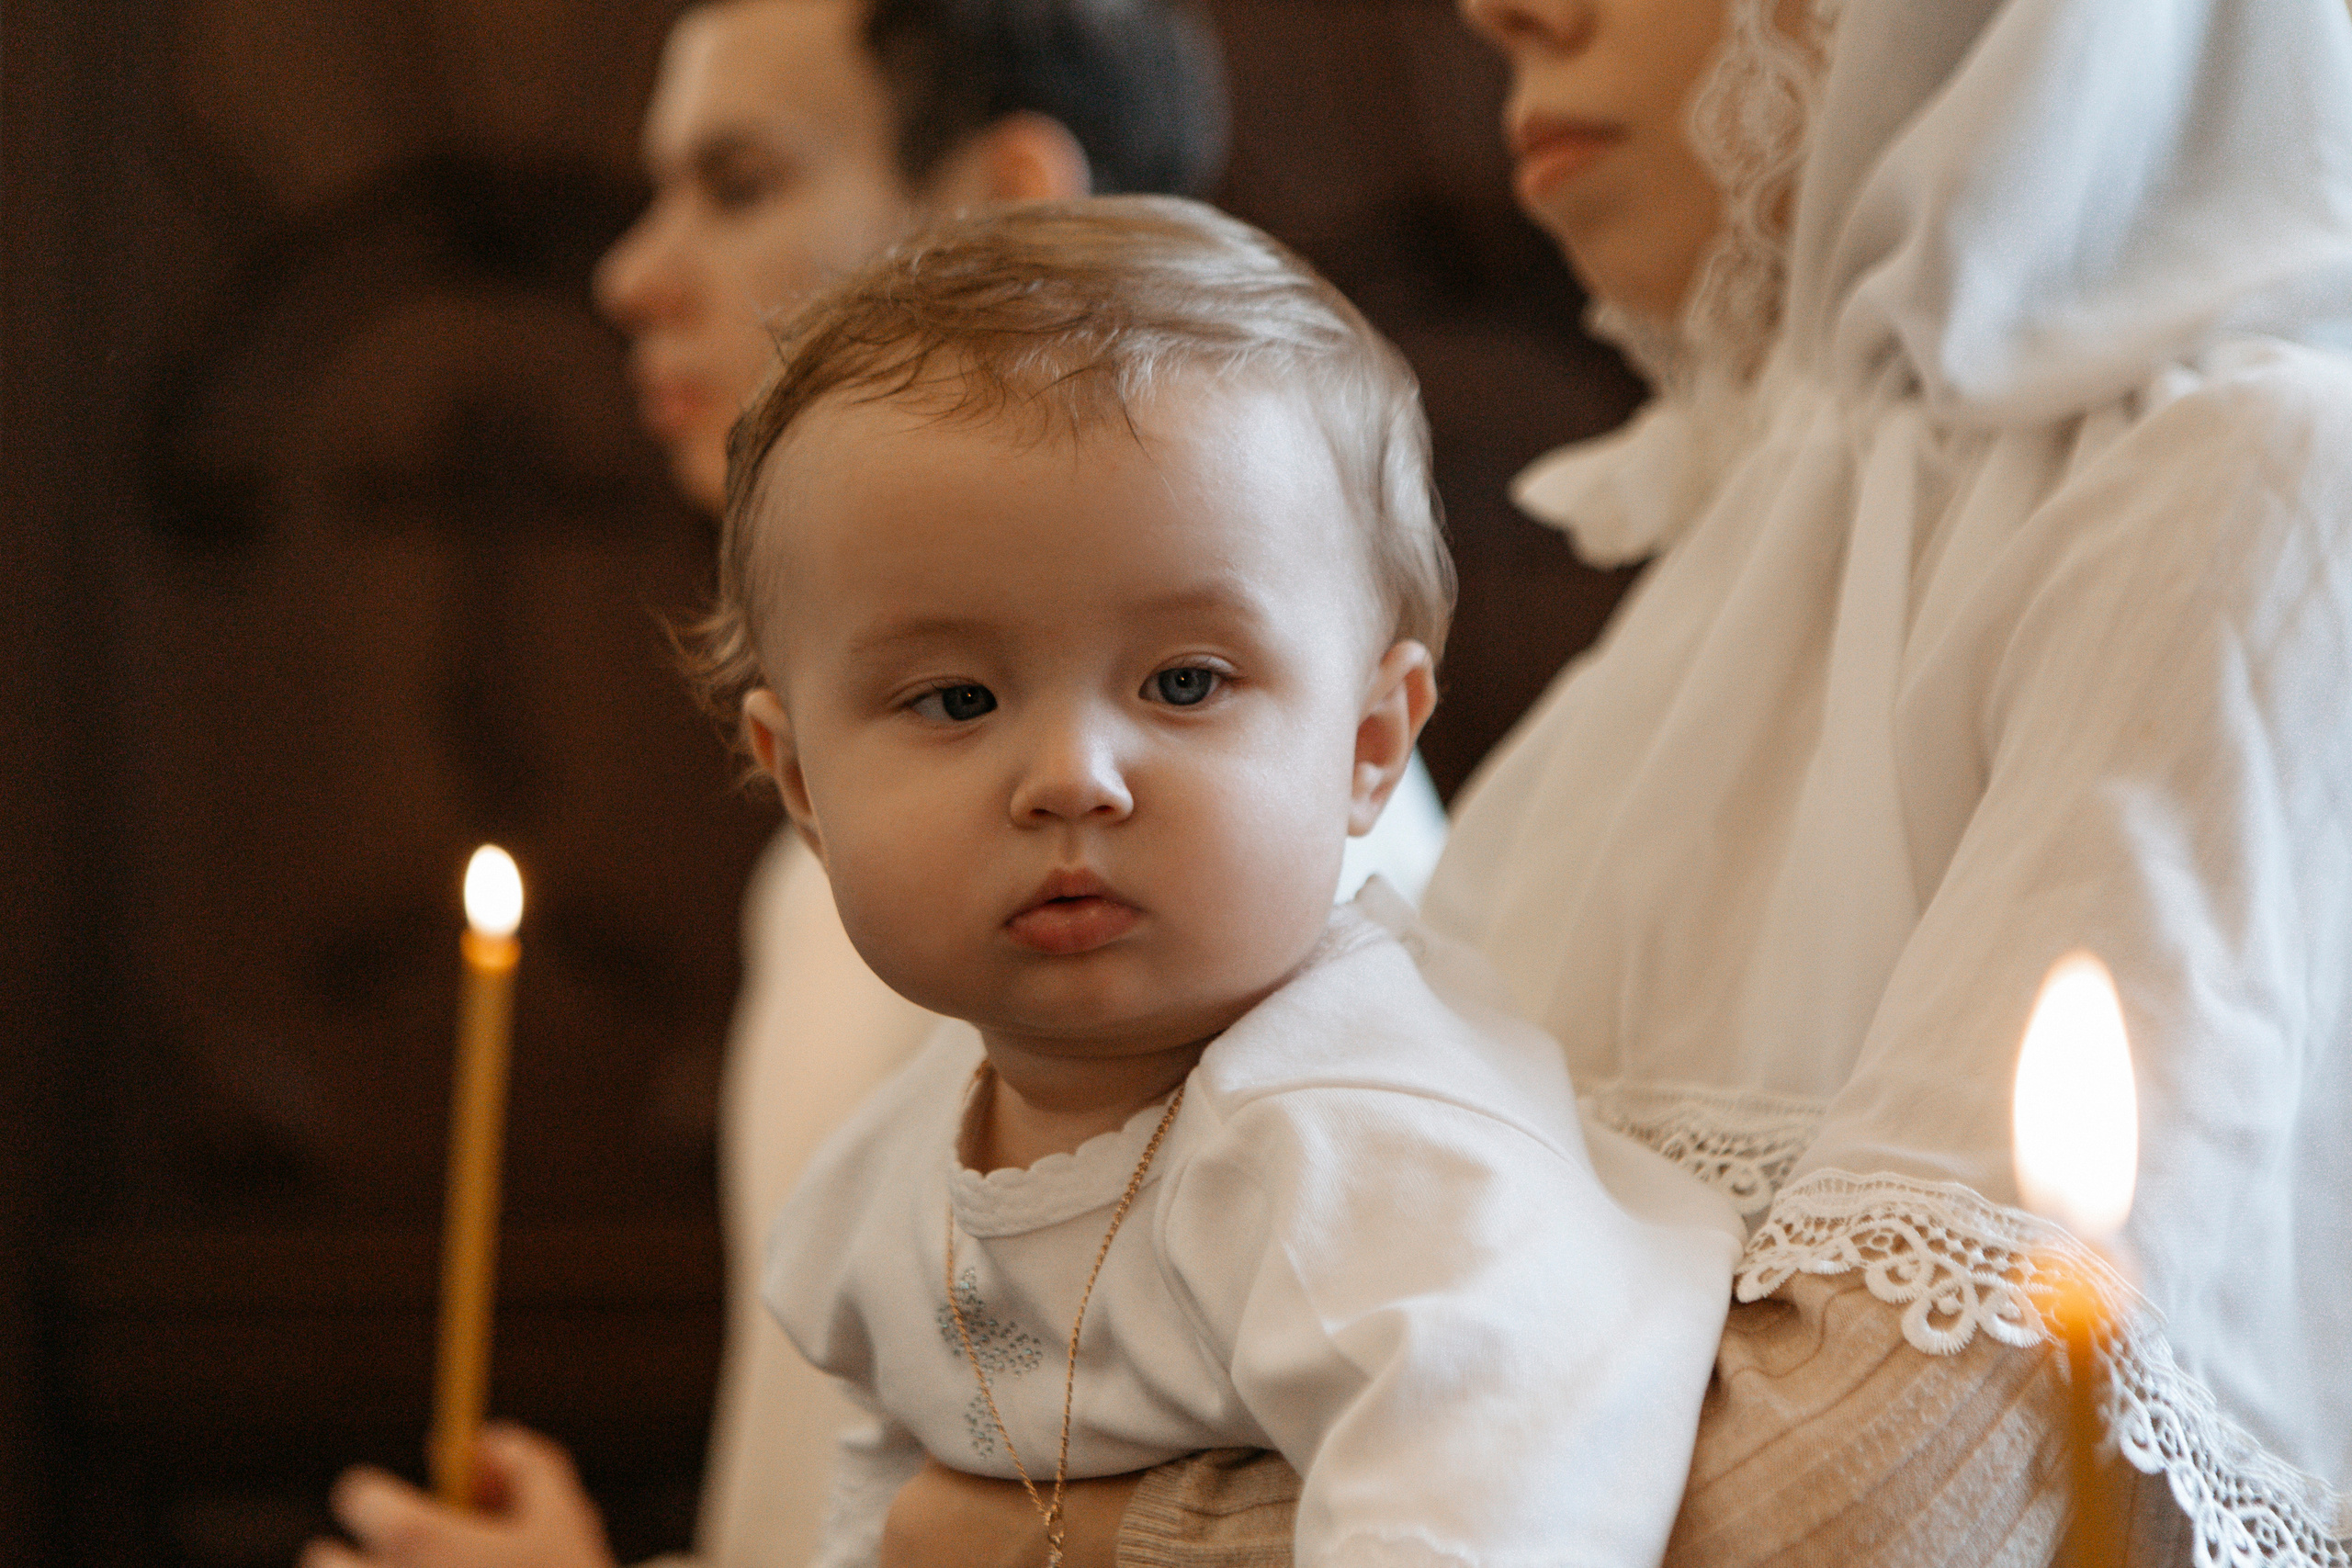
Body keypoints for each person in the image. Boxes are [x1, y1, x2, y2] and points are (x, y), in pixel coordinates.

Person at [881, 0, 2352, 1564]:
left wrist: (1069, 1541)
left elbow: (1885, 1498)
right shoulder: (1747, 572)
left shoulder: (2263, 479)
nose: (1501, 10)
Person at [303, 5, 1434, 1566]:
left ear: (1003, 202)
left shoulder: (1257, 939)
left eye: (741, 182)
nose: (629, 277)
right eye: (952, 701)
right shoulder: (884, 859)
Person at [703, 196, 1742, 1568]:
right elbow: (887, 1516)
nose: (1072, 778)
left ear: (1369, 745)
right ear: (801, 785)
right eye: (957, 699)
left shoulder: (1373, 1147)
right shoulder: (881, 1184)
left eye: (1185, 683)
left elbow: (1494, 1521)